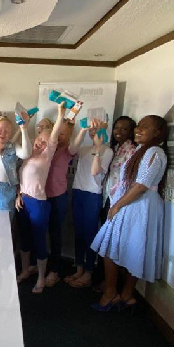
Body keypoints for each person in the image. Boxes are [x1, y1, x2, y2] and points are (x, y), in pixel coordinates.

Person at [91, 115, 168, 312]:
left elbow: (141, 185)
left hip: (138, 205)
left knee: (114, 248)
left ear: (158, 132)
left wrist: (117, 206)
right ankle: (125, 295)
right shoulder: (143, 150)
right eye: (138, 126)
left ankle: (114, 294)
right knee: (129, 248)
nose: (138, 130)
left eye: (145, 127)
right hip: (133, 203)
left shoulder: (154, 152)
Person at [15, 102, 65, 291]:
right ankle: (25, 270)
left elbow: (53, 136)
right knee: (24, 239)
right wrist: (19, 194)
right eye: (39, 139)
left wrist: (60, 115)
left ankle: (41, 278)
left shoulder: (46, 156)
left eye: (45, 141)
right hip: (23, 201)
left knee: (39, 241)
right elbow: (21, 178)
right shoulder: (27, 155)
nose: (41, 143)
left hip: (38, 203)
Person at [65, 120, 113, 288]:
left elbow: (95, 171)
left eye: (96, 129)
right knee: (78, 233)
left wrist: (98, 148)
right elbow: (71, 150)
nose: (93, 132)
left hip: (92, 195)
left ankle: (89, 272)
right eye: (91, 129)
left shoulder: (107, 151)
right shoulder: (84, 149)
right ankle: (79, 268)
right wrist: (83, 130)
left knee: (90, 234)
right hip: (78, 191)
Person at [45, 118, 79, 286]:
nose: (59, 136)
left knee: (55, 233)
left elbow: (75, 146)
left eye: (63, 134)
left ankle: (54, 270)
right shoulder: (48, 146)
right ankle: (38, 264)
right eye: (58, 132)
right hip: (41, 196)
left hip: (58, 197)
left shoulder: (68, 150)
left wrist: (83, 130)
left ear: (70, 136)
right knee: (40, 231)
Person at [0, 113, 32, 218]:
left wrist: (23, 129)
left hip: (6, 189)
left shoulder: (13, 147)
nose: (3, 133)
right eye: (0, 129)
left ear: (10, 134)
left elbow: (26, 153)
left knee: (3, 223)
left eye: (7, 131)